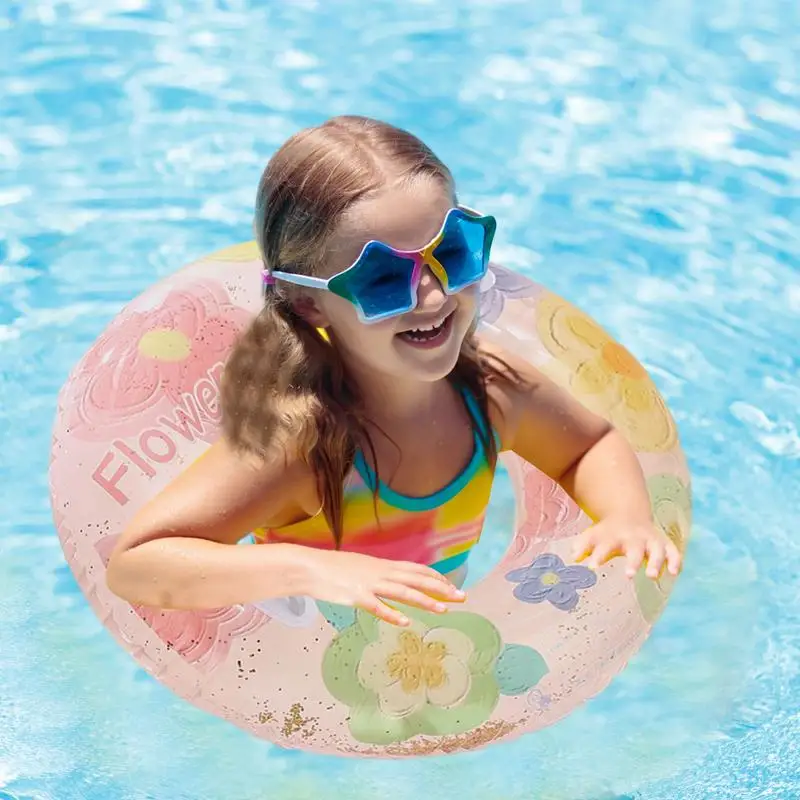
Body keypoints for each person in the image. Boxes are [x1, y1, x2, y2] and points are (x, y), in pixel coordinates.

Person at [106, 115, 681, 628]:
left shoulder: (492, 391)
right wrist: (311, 570)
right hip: (305, 645)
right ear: (307, 303)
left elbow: (588, 446)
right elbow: (136, 562)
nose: (431, 297)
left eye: (452, 252)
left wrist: (625, 516)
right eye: (383, 280)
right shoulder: (302, 443)